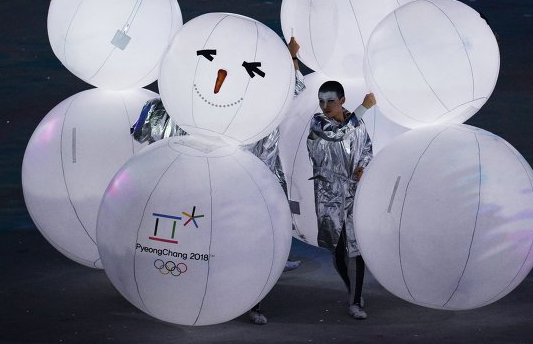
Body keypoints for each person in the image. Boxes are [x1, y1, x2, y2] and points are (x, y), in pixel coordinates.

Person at [130, 37, 304, 325]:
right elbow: (143, 137)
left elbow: (290, 91)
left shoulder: (257, 108)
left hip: (240, 183)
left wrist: (290, 59)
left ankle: (252, 298)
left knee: (248, 240)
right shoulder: (180, 106)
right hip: (199, 187)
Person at [307, 81, 375, 320]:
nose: (325, 106)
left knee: (356, 248)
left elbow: (367, 149)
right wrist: (364, 107)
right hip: (329, 196)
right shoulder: (318, 123)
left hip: (355, 194)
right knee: (336, 250)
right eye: (321, 100)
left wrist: (363, 167)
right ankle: (351, 289)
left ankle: (356, 300)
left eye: (330, 101)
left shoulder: (358, 123)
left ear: (342, 100)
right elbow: (338, 134)